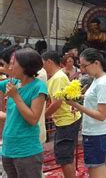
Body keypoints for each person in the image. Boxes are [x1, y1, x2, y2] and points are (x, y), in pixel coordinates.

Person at [64, 48, 106, 178]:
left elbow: (101, 115)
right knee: (97, 167)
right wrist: (80, 102)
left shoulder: (102, 83)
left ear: (96, 63)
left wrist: (76, 105)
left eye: (84, 65)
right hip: (97, 132)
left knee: (97, 168)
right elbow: (95, 103)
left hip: (97, 133)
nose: (82, 69)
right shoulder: (99, 80)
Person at [0, 48, 48, 178]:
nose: (9, 67)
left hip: (27, 151)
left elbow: (33, 119)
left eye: (12, 63)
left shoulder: (38, 87)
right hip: (8, 148)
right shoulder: (14, 82)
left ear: (25, 66)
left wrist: (15, 96)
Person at [42, 51, 82, 178]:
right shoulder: (56, 77)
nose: (42, 67)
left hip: (66, 121)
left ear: (49, 62)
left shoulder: (58, 77)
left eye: (43, 64)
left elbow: (57, 103)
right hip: (65, 120)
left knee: (65, 157)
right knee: (65, 156)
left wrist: (42, 116)